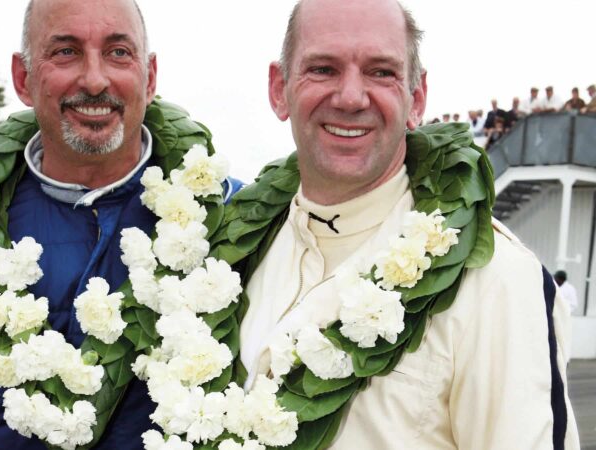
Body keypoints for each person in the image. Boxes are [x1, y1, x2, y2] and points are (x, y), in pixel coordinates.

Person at [0, 1, 241, 449]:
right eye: (66, 52)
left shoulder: (229, 218)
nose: (94, 79)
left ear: (149, 77)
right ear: (22, 78)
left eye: (118, 52)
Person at [240, 0, 578, 448]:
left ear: (416, 97)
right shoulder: (239, 252)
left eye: (382, 72)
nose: (351, 97)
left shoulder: (497, 281)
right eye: (323, 68)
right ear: (279, 89)